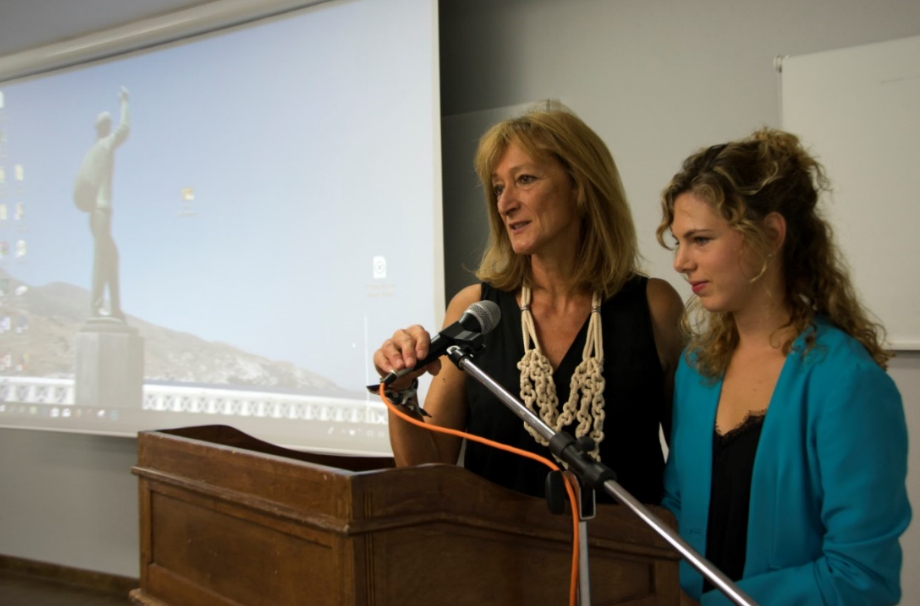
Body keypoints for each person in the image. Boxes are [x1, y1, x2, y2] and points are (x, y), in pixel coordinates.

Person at [373, 107, 684, 504]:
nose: (505, 204)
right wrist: (401, 391)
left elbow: (691, 468)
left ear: (580, 187)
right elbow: (427, 473)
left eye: (524, 180)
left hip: (621, 544)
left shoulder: (655, 307)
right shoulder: (474, 311)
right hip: (498, 543)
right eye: (498, 188)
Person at [657, 128, 910, 605]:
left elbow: (861, 578)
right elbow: (677, 510)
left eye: (701, 239)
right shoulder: (697, 367)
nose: (681, 262)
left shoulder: (848, 382)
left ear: (771, 235)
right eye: (679, 242)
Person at [75, 86, 130, 321]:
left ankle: (115, 308)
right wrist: (124, 103)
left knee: (111, 257)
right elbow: (124, 129)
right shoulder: (105, 145)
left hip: (94, 213)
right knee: (102, 258)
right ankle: (97, 306)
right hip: (102, 210)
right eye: (108, 124)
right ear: (105, 127)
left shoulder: (92, 151)